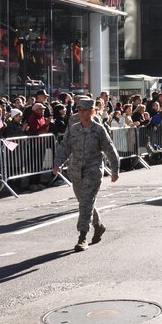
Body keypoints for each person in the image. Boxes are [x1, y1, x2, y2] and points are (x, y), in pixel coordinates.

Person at [52, 97, 120, 252]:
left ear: (92, 111)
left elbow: (110, 149)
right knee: (85, 202)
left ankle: (82, 237)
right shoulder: (74, 128)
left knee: (85, 202)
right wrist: (57, 164)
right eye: (79, 110)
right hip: (76, 171)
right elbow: (65, 147)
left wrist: (115, 170)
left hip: (93, 170)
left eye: (84, 110)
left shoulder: (98, 129)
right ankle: (98, 225)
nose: (81, 113)